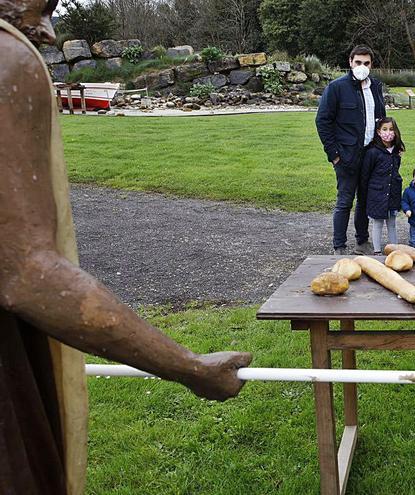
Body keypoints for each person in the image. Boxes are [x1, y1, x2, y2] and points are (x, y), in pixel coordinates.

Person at [0, 2, 251, 492]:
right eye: (41, 6)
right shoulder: (6, 59)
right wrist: (188, 366)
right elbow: (26, 272)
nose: (47, 33)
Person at [315, 45, 386, 255]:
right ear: (350, 62)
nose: (362, 66)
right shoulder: (337, 87)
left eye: (366, 63)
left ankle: (362, 242)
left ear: (371, 65)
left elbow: (382, 120)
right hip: (346, 155)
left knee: (365, 199)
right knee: (345, 200)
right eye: (358, 62)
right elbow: (322, 121)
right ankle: (339, 245)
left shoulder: (376, 87)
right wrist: (334, 155)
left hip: (370, 154)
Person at [361, 117, 404, 254]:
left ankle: (394, 250)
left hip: (392, 194)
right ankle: (377, 251)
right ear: (378, 132)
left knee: (392, 223)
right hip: (377, 195)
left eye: (391, 129)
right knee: (378, 223)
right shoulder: (372, 152)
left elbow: (395, 171)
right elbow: (365, 175)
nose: (388, 132)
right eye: (385, 129)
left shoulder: (396, 152)